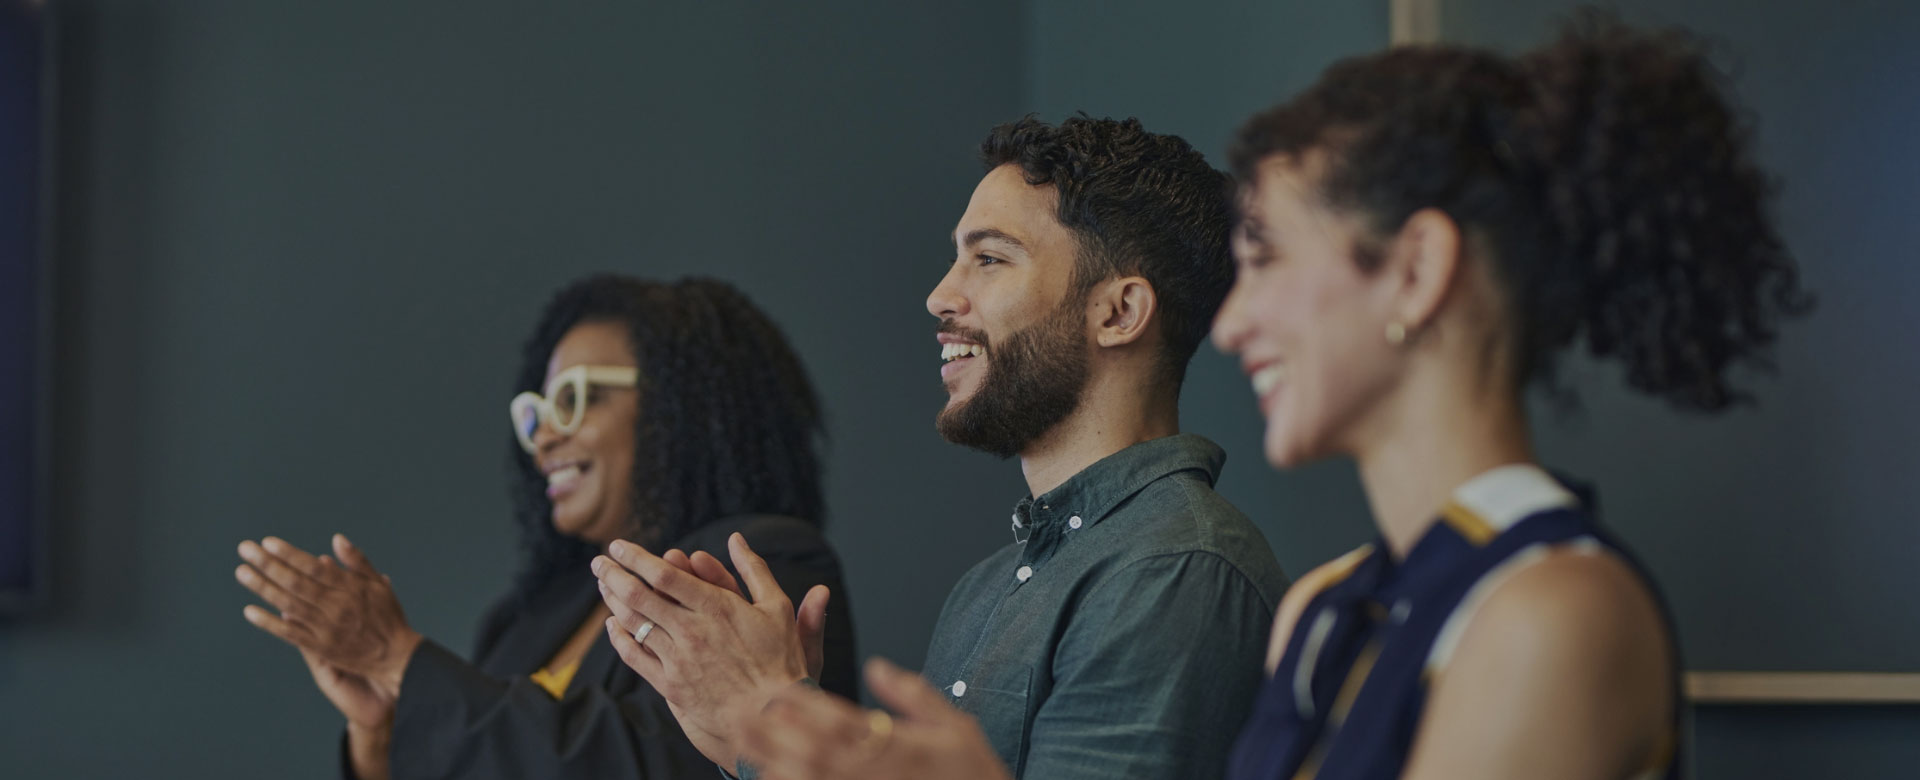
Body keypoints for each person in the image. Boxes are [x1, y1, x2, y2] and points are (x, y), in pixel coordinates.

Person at [720, 11, 1810, 780]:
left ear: (1417, 273)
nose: (1235, 324)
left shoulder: (1552, 614)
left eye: (1273, 259)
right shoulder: (1327, 609)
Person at [590, 115, 1289, 780]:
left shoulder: (1176, 569)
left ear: (1118, 313)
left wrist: (770, 722)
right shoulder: (983, 590)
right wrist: (768, 738)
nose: (938, 295)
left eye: (989, 258)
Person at [233, 275, 858, 780]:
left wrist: (396, 658)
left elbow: (647, 764)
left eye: (573, 400)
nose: (544, 439)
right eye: (534, 414)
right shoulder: (522, 620)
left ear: (678, 404)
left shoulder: (756, 562)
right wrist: (383, 736)